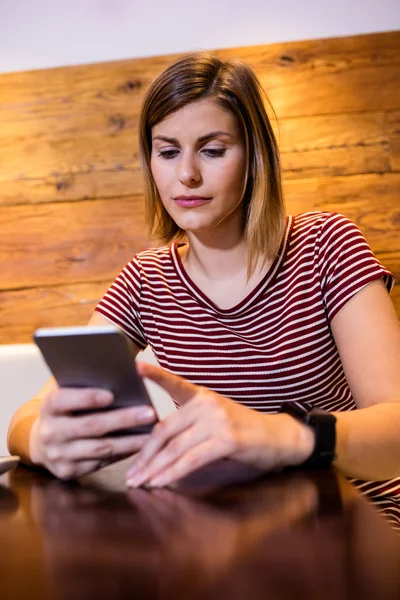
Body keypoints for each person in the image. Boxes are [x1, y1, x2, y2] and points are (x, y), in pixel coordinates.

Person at [7, 53, 400, 516]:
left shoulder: (325, 245)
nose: (187, 174)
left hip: (356, 518)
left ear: (254, 156)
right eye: (168, 151)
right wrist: (42, 440)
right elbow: (28, 415)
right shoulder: (145, 279)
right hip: (227, 533)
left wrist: (286, 435)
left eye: (212, 150)